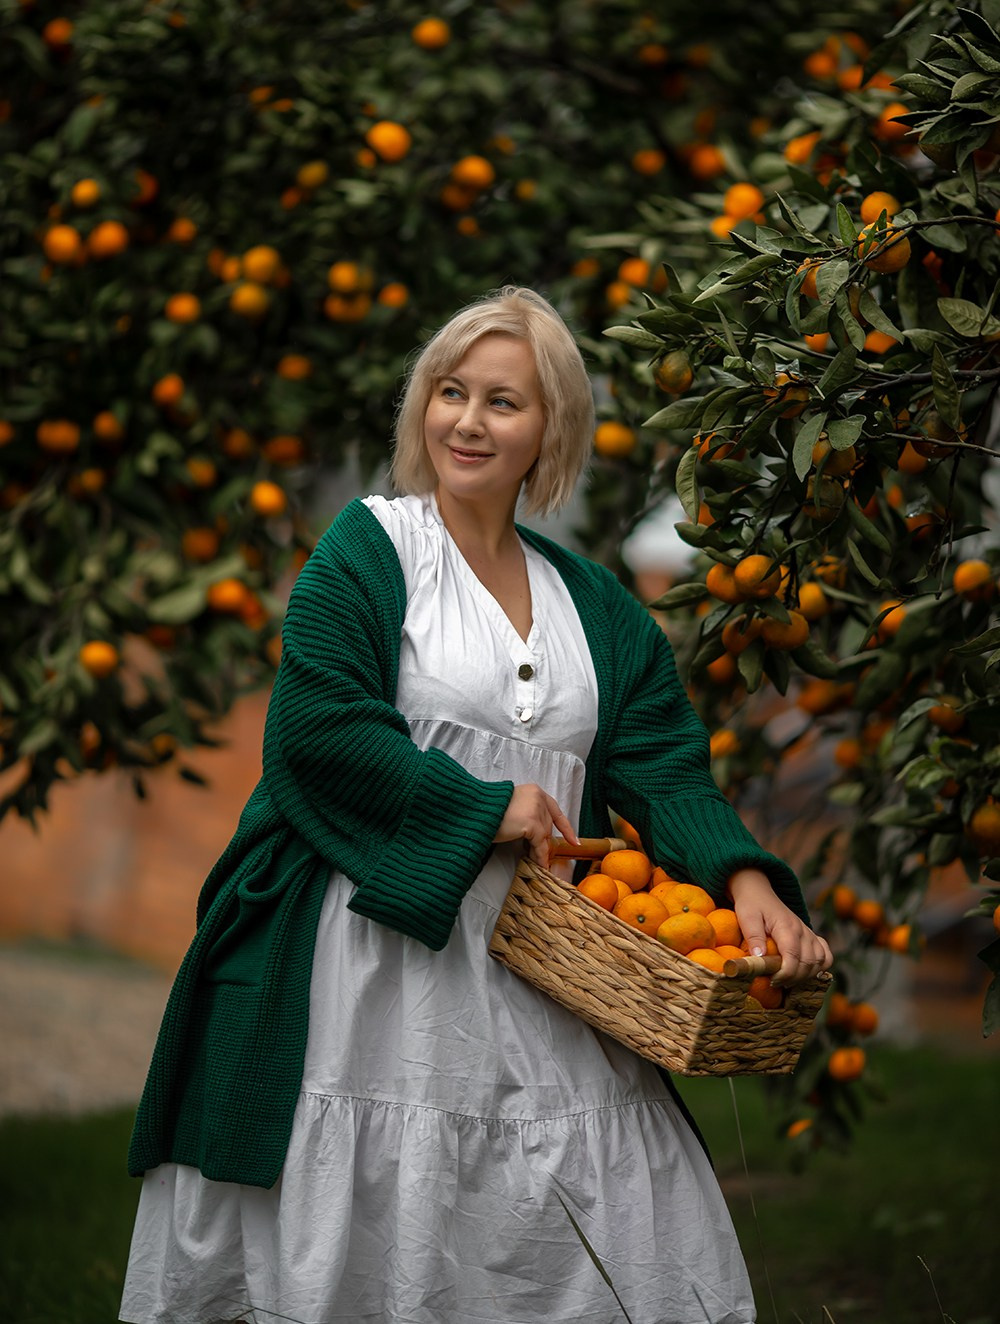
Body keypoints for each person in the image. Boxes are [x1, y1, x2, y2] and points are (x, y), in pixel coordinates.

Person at [120, 284, 832, 1324]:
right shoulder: (371, 548)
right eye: (450, 391)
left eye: (502, 401)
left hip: (545, 964)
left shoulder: (596, 605)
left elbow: (667, 770)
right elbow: (315, 729)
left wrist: (748, 881)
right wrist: (485, 807)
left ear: (550, 429)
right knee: (371, 1231)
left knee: (579, 1233)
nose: (467, 420)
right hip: (368, 962)